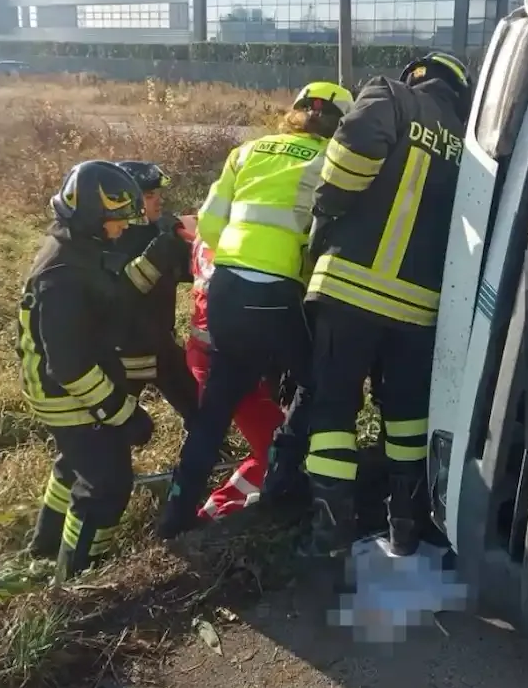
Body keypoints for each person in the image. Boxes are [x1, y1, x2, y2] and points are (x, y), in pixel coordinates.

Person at [156, 81, 355, 539]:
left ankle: (176, 514)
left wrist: (240, 257)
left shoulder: (247, 151)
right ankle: (283, 477)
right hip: (278, 293)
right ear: (341, 125)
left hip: (226, 288)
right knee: (314, 382)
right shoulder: (331, 161)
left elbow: (209, 224)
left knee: (215, 409)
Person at [297, 52, 474, 559]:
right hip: (419, 310)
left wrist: (328, 208)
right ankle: (406, 527)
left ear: (416, 76)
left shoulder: (393, 97)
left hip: (349, 290)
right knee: (407, 417)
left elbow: (350, 154)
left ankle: (330, 536)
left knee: (334, 410)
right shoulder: (472, 144)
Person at [20, 160, 181, 579]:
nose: (124, 227)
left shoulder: (79, 248)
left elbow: (114, 298)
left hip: (63, 388)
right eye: (117, 219)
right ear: (93, 215)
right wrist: (121, 413)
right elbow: (70, 366)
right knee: (106, 484)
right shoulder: (63, 276)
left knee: (75, 466)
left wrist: (158, 255)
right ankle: (79, 577)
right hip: (66, 395)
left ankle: (45, 551)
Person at [179, 216, 288, 520]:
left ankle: (212, 508)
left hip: (213, 357)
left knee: (272, 444)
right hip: (225, 362)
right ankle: (214, 513)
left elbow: (189, 222)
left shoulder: (211, 229)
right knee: (276, 447)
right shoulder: (246, 243)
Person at [107, 161, 197, 424]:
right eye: (149, 196)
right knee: (114, 425)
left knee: (201, 413)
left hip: (162, 347)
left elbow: (186, 273)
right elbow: (128, 290)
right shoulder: (112, 239)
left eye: (158, 194)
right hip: (124, 354)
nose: (158, 200)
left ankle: (208, 448)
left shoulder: (158, 231)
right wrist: (165, 244)